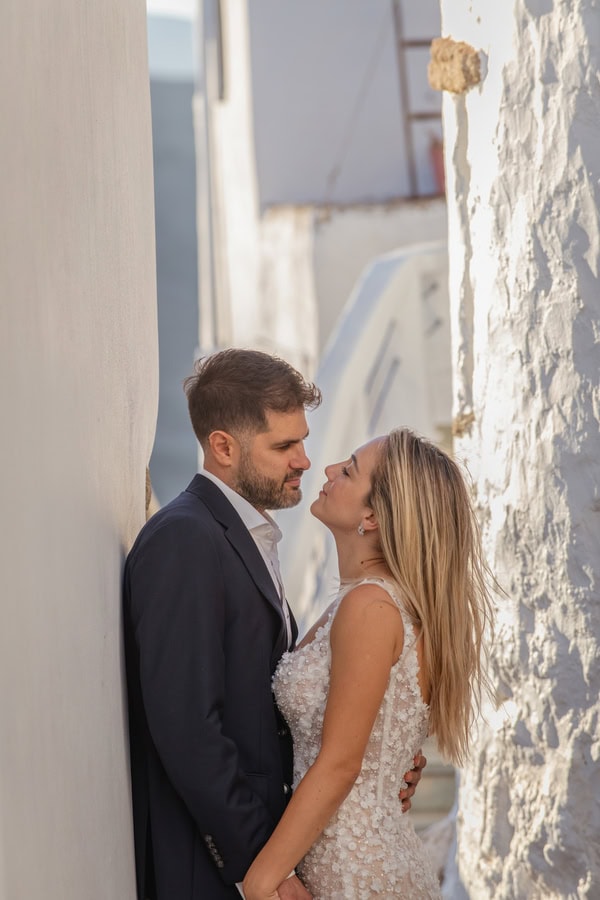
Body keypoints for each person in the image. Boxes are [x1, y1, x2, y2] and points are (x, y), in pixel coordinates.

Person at [123, 350, 426, 900]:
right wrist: (259, 871)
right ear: (223, 447)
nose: (307, 461)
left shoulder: (247, 540)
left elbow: (275, 715)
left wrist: (381, 761)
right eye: (284, 446)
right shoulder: (185, 539)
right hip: (210, 868)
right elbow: (188, 728)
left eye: (302, 441)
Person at [242, 428, 494, 899]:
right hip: (347, 858)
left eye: (350, 470)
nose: (330, 469)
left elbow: (341, 762)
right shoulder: (364, 602)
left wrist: (260, 880)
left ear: (373, 515)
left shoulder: (371, 607)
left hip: (354, 874)